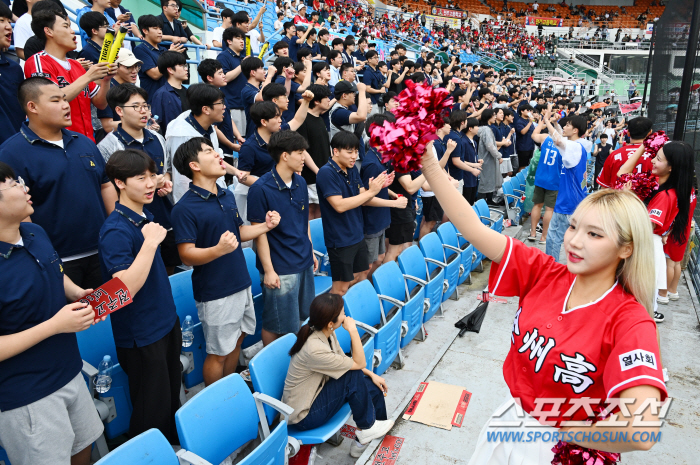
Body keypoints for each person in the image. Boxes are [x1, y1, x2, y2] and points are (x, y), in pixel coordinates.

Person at [420, 147, 666, 462]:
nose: (575, 241)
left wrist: (566, 433)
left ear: (626, 249)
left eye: (594, 234)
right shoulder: (545, 272)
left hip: (559, 448)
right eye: (574, 226)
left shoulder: (630, 321)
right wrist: (429, 162)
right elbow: (472, 227)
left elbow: (642, 430)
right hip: (511, 418)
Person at [0, 161, 106, 465]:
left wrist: (74, 291)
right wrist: (55, 325)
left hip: (69, 370)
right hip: (28, 396)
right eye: (13, 184)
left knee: (82, 450)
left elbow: (52, 269)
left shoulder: (34, 232)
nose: (25, 188)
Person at [171, 137, 280, 386]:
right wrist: (218, 250)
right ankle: (216, 400)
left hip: (240, 282)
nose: (219, 154)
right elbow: (186, 254)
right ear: (194, 165)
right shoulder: (185, 208)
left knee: (238, 341)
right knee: (218, 352)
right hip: (215, 292)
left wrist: (266, 226)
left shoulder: (225, 195)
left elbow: (239, 232)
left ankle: (231, 388)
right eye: (209, 151)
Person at [0, 78, 118, 289]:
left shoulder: (83, 141)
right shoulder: (11, 153)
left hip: (102, 252)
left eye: (65, 99)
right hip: (57, 261)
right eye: (56, 101)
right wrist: (41, 253)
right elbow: (19, 211)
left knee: (107, 317)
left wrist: (115, 230)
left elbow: (105, 184)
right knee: (72, 318)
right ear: (32, 107)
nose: (65, 105)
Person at [99, 149, 182, 443]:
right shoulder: (116, 230)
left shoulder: (143, 216)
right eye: (140, 178)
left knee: (171, 397)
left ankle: (171, 450)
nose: (150, 183)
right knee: (151, 409)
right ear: (120, 183)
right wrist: (149, 243)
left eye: (152, 175)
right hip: (141, 334)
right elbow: (123, 289)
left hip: (164, 320)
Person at [284, 294, 394, 458]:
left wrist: (372, 375)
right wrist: (353, 329)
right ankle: (367, 428)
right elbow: (358, 364)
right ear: (330, 323)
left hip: (318, 394)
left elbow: (345, 361)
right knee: (354, 375)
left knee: (372, 386)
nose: (346, 316)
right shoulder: (314, 348)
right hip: (304, 416)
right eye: (343, 312)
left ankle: (363, 440)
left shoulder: (326, 333)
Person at [98, 84, 180, 273]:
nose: (144, 111)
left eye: (146, 106)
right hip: (134, 225)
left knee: (168, 272)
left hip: (163, 220)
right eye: (136, 107)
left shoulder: (157, 138)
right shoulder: (108, 146)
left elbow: (166, 171)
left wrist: (165, 182)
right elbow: (109, 188)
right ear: (119, 111)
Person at [248, 131, 319, 346]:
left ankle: (294, 360)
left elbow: (303, 220)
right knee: (276, 323)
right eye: (300, 152)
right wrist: (269, 270)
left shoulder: (299, 182)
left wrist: (311, 250)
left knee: (302, 317)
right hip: (281, 267)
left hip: (303, 260)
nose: (304, 157)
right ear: (285, 156)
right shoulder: (261, 188)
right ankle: (271, 365)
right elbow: (258, 233)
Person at [618, 141, 695, 322]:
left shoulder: (664, 196)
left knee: (641, 289)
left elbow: (646, 226)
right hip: (654, 242)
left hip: (648, 244)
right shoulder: (678, 190)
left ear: (671, 168)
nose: (652, 161)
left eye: (658, 159)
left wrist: (628, 198)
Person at [316, 131, 392, 296]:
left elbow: (362, 195)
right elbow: (339, 205)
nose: (354, 156)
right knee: (341, 287)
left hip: (357, 233)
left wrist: (378, 188)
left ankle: (353, 313)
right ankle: (331, 316)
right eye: (349, 151)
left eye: (356, 151)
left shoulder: (351, 169)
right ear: (335, 151)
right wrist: (371, 192)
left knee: (363, 273)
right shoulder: (326, 173)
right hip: (340, 239)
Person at [23, 9, 114, 142]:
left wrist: (106, 79)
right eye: (66, 26)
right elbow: (49, 99)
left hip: (86, 141)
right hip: (58, 143)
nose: (73, 31)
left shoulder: (76, 65)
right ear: (49, 31)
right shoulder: (38, 61)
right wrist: (88, 76)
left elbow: (100, 103)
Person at [165, 83, 245, 203]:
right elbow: (183, 180)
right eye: (220, 103)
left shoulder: (207, 126)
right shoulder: (182, 134)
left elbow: (217, 157)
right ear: (206, 109)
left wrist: (236, 171)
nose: (224, 107)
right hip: (197, 202)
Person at [543, 111, 590, 262]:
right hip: (575, 199)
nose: (565, 126)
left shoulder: (574, 146)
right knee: (567, 237)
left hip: (567, 201)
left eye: (568, 125)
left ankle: (551, 269)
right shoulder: (579, 146)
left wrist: (546, 121)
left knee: (553, 238)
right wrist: (556, 124)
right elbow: (561, 139)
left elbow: (558, 141)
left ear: (575, 130)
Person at [297, 84, 333, 220]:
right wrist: (318, 171)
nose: (329, 100)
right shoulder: (304, 119)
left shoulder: (320, 119)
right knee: (311, 210)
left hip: (323, 172)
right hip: (311, 175)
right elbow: (302, 149)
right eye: (326, 97)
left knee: (320, 209)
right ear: (316, 101)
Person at [134, 14, 185, 104]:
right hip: (153, 99)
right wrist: (169, 55)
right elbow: (154, 75)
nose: (160, 32)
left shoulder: (164, 49)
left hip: (169, 97)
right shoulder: (140, 49)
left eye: (160, 29)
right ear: (145, 31)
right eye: (155, 28)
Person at [528, 110, 561, 244]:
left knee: (537, 205)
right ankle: (544, 237)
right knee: (549, 208)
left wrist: (542, 121)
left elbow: (533, 134)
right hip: (554, 179)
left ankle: (533, 232)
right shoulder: (564, 143)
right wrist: (554, 122)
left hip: (541, 177)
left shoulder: (545, 138)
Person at [596, 117, 653, 189]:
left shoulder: (614, 155)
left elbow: (604, 187)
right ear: (650, 133)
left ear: (628, 133)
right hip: (647, 200)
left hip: (618, 198)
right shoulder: (656, 156)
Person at [0, 3, 25, 145]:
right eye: (1, 21)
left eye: (9, 21)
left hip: (13, 152)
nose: (9, 27)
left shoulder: (14, 69)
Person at [218, 26, 249, 138]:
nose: (242, 41)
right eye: (238, 38)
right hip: (233, 105)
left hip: (246, 104)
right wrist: (242, 65)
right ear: (229, 41)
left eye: (243, 38)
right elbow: (225, 77)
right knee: (237, 138)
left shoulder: (244, 56)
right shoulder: (223, 56)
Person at [151, 51, 190, 136]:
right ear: (170, 70)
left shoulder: (188, 92)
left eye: (185, 65)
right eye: (181, 66)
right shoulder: (161, 94)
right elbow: (158, 123)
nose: (186, 69)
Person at [477, 109, 504, 204]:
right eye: (494, 115)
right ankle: (483, 202)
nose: (495, 117)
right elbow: (490, 146)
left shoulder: (485, 129)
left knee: (489, 179)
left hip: (486, 159)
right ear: (489, 117)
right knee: (486, 180)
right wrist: (498, 156)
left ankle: (488, 199)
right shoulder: (486, 130)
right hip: (486, 159)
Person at [515, 104, 536, 172]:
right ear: (522, 111)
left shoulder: (528, 120)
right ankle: (519, 180)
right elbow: (523, 132)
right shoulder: (520, 121)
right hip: (523, 147)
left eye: (530, 110)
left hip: (530, 146)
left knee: (527, 165)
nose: (530, 112)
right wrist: (530, 122)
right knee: (522, 165)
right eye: (528, 110)